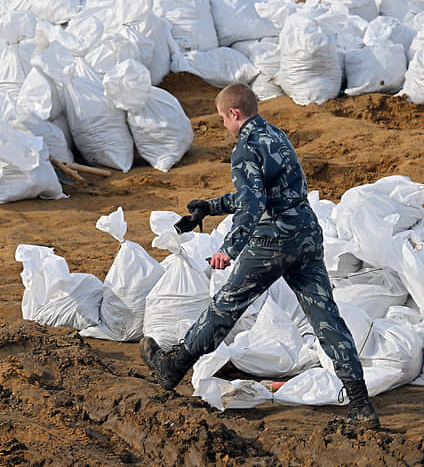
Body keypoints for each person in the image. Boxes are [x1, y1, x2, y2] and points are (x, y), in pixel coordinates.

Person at [139, 83, 380, 429]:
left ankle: (173, 365)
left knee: (226, 305)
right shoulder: (276, 135)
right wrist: (211, 206)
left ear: (234, 114)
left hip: (273, 241)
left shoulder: (245, 147)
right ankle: (361, 404)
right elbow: (264, 193)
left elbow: (253, 204)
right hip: (307, 236)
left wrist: (229, 249)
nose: (223, 125)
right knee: (326, 318)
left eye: (223, 118)